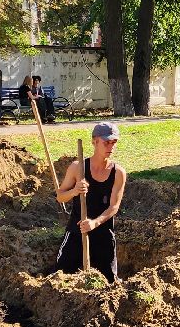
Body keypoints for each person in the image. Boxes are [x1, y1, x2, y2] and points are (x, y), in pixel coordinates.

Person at [54, 121, 126, 283]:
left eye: (114, 142)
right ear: (94, 141)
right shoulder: (77, 168)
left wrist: (94, 223)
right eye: (106, 142)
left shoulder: (118, 173)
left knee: (110, 282)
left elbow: (114, 206)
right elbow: (60, 196)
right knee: (60, 277)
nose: (111, 146)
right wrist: (74, 191)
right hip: (77, 231)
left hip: (103, 233)